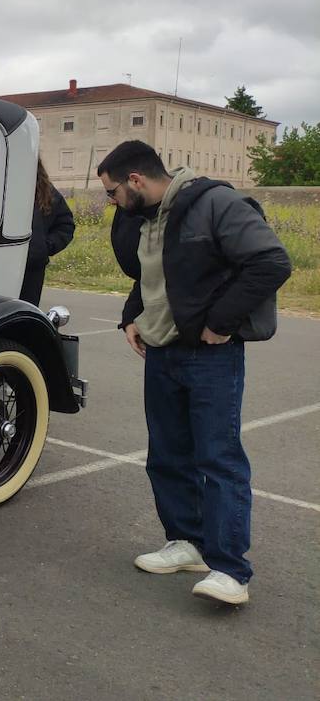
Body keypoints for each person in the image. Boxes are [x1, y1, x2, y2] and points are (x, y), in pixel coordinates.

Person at [99, 140, 291, 606]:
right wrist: (131, 316)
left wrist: (220, 324)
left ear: (137, 181)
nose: (110, 202)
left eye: (112, 191)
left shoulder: (215, 204)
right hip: (162, 355)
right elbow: (149, 276)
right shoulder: (144, 220)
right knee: (166, 455)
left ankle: (229, 570)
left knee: (218, 459)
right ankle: (186, 543)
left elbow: (271, 262)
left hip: (210, 357)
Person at [20, 159, 75, 305]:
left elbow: (65, 225)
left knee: (24, 314)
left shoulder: (46, 192)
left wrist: (44, 246)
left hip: (31, 269)